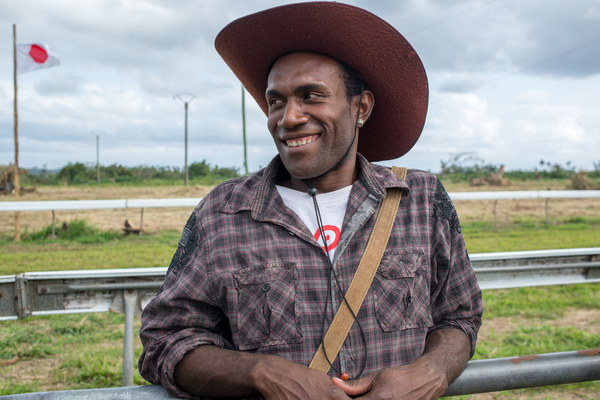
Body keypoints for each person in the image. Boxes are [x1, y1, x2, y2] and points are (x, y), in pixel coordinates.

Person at [139, 2, 483, 399]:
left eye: (311, 96)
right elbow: (166, 341)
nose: (288, 118)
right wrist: (263, 372)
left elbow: (459, 315)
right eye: (276, 101)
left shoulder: (420, 201)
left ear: (361, 108)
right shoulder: (223, 212)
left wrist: (432, 370)